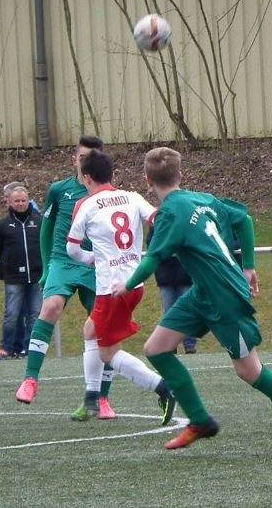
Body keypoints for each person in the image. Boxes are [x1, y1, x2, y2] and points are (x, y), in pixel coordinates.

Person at [113, 147, 272, 453]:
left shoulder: (169, 214)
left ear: (148, 181)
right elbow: (244, 220)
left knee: (249, 371)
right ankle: (200, 421)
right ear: (180, 175)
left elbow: (153, 258)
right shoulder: (203, 199)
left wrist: (127, 284)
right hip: (203, 293)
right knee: (156, 349)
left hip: (225, 296)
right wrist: (249, 266)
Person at [66, 150, 175, 424]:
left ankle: (163, 387)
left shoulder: (86, 205)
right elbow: (158, 219)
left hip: (111, 289)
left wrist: (91, 258)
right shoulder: (132, 197)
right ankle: (92, 397)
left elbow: (72, 249)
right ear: (112, 174)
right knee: (90, 330)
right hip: (134, 282)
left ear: (86, 178)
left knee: (108, 353)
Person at [15, 135, 118, 422]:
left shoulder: (109, 194)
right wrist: (47, 267)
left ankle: (101, 398)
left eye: (92, 157)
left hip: (95, 265)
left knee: (103, 327)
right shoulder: (59, 190)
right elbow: (46, 230)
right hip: (63, 260)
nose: (86, 162)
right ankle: (30, 379)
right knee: (51, 306)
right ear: (74, 160)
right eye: (82, 157)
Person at [0, 185, 43, 359]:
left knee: (35, 314)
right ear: (10, 202)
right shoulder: (3, 225)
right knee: (12, 314)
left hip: (36, 276)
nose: (20, 204)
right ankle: (6, 348)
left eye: (23, 200)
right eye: (17, 201)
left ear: (28, 201)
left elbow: (46, 244)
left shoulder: (39, 222)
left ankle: (32, 348)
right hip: (14, 277)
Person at [146, 226, 196, 354]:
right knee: (168, 313)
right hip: (165, 277)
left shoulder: (186, 221)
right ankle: (170, 345)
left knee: (188, 311)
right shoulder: (157, 224)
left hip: (186, 275)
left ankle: (189, 345)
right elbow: (152, 244)